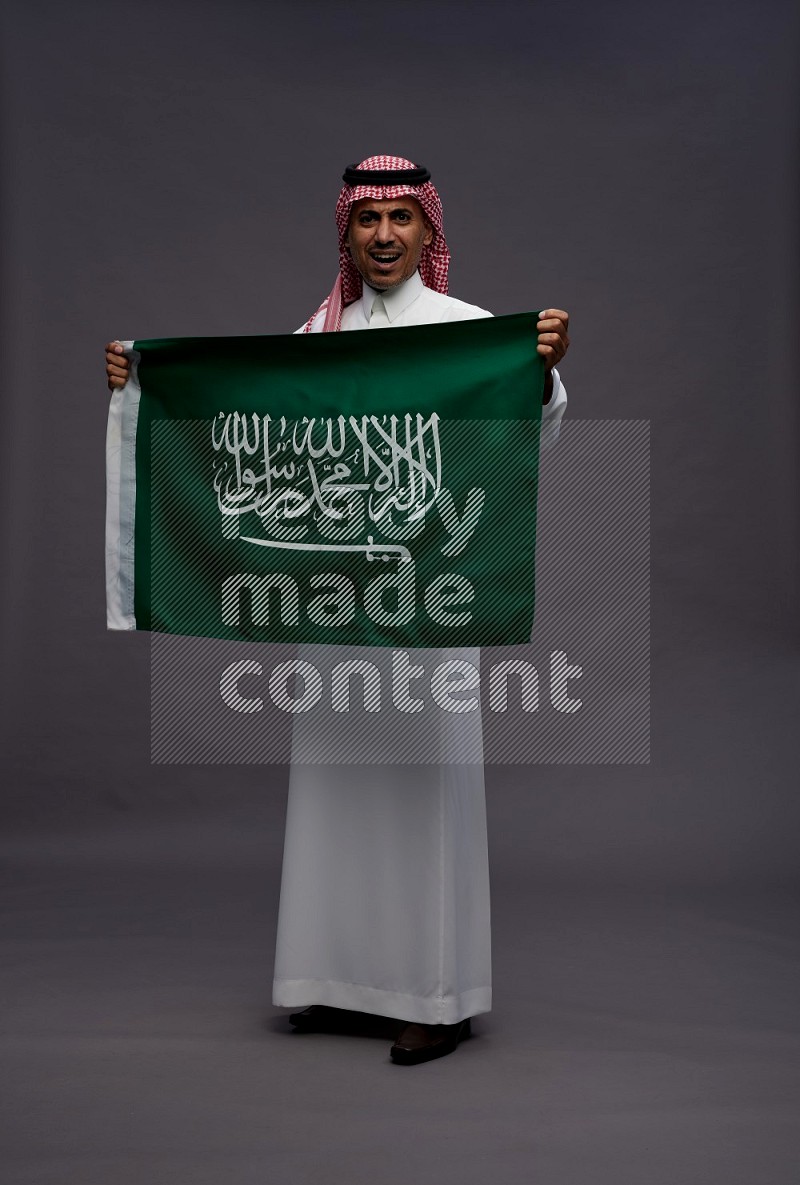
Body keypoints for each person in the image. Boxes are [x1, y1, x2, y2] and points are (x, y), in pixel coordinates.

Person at [104, 154, 570, 1065]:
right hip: (332, 606)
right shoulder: (316, 335)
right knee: (334, 792)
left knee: (420, 796)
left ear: (430, 232)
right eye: (369, 221)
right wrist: (143, 385)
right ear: (347, 233)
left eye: (403, 219)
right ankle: (327, 980)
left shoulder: (468, 332)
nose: (385, 236)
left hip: (428, 606)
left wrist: (544, 371)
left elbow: (529, 437)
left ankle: (435, 999)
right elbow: (243, 435)